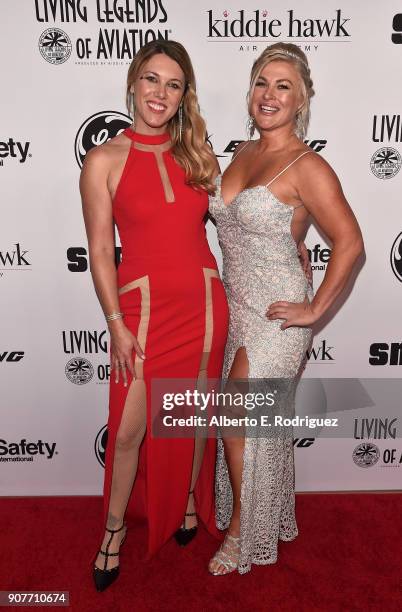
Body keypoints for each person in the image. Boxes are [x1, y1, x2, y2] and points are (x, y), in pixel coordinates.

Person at [208, 42, 364, 575]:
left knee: (236, 417)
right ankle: (268, 514)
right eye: (261, 83)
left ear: (301, 101)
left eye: (282, 86)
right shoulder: (242, 153)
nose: (268, 95)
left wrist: (314, 309)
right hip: (236, 305)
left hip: (277, 315)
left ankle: (240, 533)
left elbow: (350, 242)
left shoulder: (308, 165)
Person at [80, 39, 229, 592]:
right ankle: (113, 531)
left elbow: (236, 223)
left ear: (184, 94)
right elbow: (100, 250)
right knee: (127, 432)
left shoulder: (198, 154)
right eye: (151, 79)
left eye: (173, 83)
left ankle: (189, 503)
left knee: (190, 418)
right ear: (133, 82)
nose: (159, 93)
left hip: (204, 302)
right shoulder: (103, 159)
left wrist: (293, 246)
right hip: (140, 314)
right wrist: (115, 323)